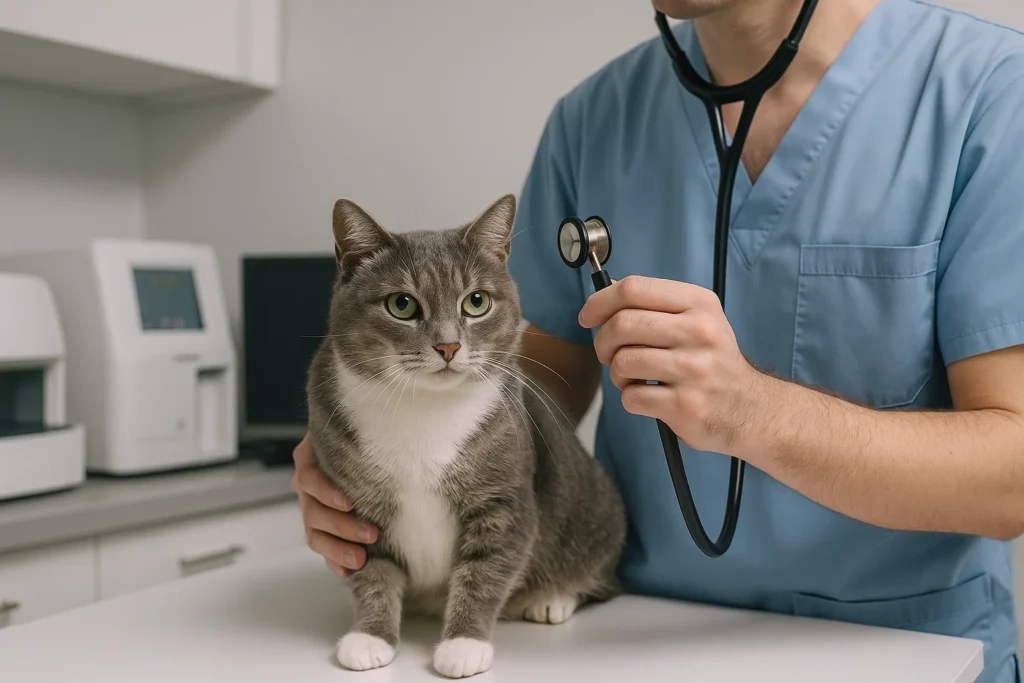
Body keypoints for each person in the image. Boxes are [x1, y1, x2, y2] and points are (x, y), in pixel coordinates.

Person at [292, 0, 1024, 679]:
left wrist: (755, 414)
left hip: (905, 650)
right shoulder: (591, 121)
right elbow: (529, 394)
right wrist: (370, 443)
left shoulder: (987, 91)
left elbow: (1012, 478)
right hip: (634, 639)